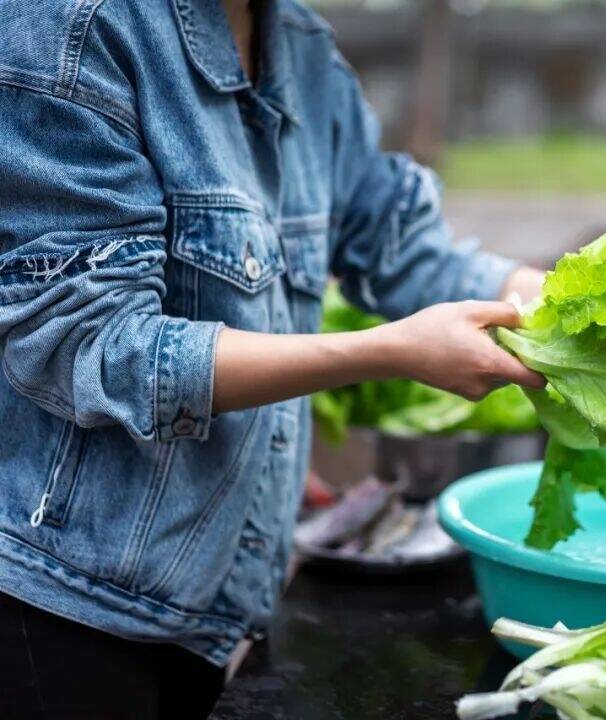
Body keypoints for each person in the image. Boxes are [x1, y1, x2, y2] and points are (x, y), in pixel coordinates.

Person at [0, 0, 546, 717]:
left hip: (207, 606)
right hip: (63, 608)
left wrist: (586, 306)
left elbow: (397, 241)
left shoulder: (300, 47)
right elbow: (95, 343)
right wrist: (383, 352)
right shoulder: (71, 28)